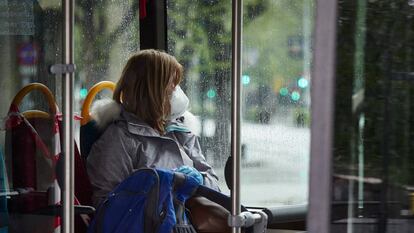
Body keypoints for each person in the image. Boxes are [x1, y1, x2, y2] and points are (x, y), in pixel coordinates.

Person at [86, 49, 220, 208]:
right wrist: (164, 190)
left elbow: (215, 188)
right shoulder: (119, 139)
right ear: (153, 90)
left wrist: (200, 179)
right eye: (172, 84)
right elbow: (108, 207)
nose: (177, 91)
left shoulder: (181, 131)